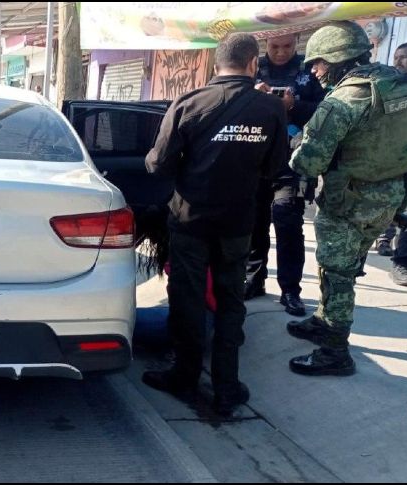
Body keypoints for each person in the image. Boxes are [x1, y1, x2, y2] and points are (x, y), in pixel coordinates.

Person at [142, 33, 287, 417]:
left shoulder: (189, 103)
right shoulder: (271, 108)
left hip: (190, 220)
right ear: (253, 63)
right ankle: (226, 387)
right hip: (237, 222)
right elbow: (275, 167)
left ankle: (184, 376)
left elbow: (158, 164)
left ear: (215, 63)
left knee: (187, 298)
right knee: (230, 299)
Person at [287, 23, 407, 376]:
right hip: (389, 196)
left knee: (338, 273)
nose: (315, 72)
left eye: (318, 63)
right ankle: (321, 320)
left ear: (338, 59)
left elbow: (309, 163)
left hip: (348, 201)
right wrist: (404, 196)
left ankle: (335, 351)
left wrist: (297, 145)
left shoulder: (342, 101)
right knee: (343, 264)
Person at [244, 33, 326, 317]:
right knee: (254, 223)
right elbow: (232, 107)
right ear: (266, 44)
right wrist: (256, 99)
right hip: (256, 160)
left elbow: (326, 112)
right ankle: (253, 280)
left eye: (287, 46)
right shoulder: (252, 68)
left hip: (294, 162)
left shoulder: (310, 73)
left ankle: (290, 290)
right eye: (275, 46)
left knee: (288, 223)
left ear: (297, 41)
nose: (280, 52)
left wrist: (293, 107)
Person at [375, 42, 407, 259]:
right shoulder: (390, 83)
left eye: (404, 57)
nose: (398, 62)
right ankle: (384, 238)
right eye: (396, 57)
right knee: (390, 196)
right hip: (394, 151)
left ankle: (404, 248)